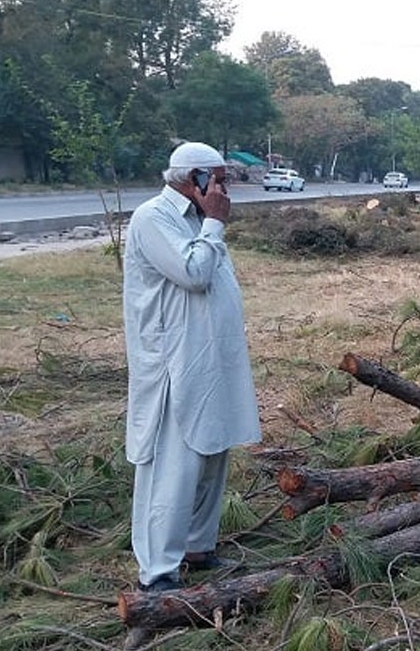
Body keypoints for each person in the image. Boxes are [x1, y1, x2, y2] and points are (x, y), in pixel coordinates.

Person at [122, 141, 261, 592]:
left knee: (211, 451)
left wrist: (211, 223)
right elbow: (194, 273)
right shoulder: (153, 219)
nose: (224, 188)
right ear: (193, 179)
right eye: (217, 178)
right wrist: (216, 224)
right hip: (173, 363)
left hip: (209, 359)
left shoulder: (201, 221)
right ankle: (158, 571)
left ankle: (199, 548)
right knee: (174, 466)